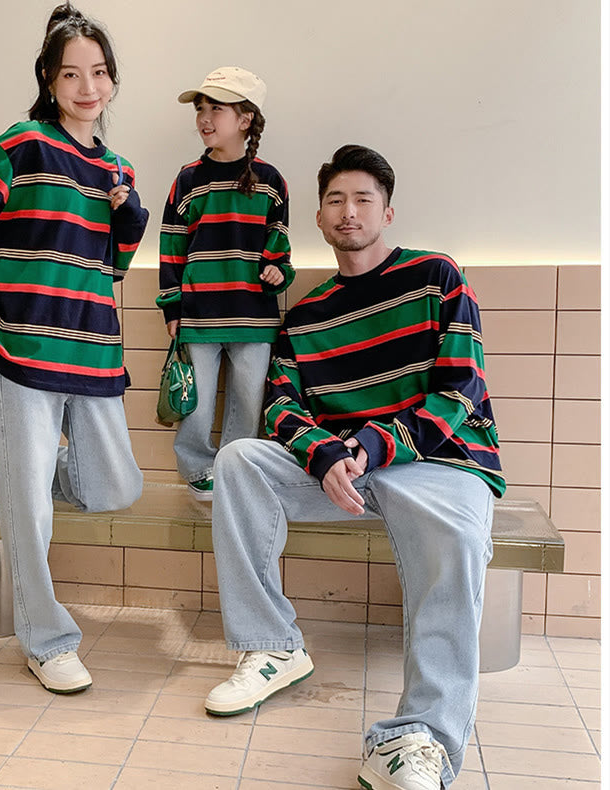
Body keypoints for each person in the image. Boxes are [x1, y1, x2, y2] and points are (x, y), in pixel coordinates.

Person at [205, 144, 505, 790]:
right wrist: (325, 454)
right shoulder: (307, 316)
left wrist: (370, 445)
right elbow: (280, 409)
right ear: (319, 217)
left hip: (441, 463)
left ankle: (421, 737)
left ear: (387, 212)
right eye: (336, 200)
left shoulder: (436, 277)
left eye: (363, 198)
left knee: (456, 541)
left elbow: (461, 390)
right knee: (238, 461)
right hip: (348, 473)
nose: (349, 211)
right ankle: (273, 645)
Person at [0, 3, 148, 694]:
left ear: (112, 82)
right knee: (28, 507)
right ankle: (47, 641)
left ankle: (34, 482)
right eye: (72, 73)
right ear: (50, 81)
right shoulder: (25, 144)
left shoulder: (116, 167)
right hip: (22, 350)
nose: (88, 86)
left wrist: (128, 218)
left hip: (92, 351)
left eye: (100, 73)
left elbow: (111, 268)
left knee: (116, 486)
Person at [156, 66, 295, 501]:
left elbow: (280, 249)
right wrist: (172, 309)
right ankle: (199, 471)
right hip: (198, 313)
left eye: (216, 108)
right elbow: (171, 249)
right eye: (200, 108)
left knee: (249, 401)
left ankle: (235, 470)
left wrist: (278, 273)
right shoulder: (187, 180)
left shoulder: (272, 182)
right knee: (195, 405)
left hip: (254, 316)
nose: (204, 118)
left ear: (245, 119)